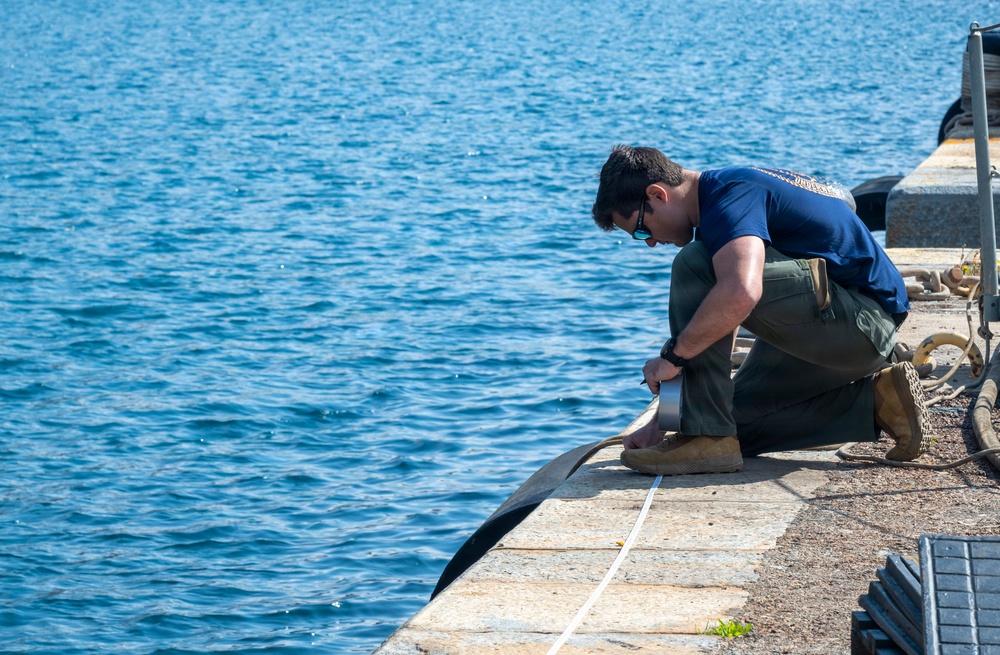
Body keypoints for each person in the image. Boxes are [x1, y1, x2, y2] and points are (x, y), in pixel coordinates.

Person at [591, 145, 929, 476]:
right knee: (726, 422)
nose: (649, 242)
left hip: (861, 325)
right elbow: (718, 324)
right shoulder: (722, 204)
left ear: (657, 194)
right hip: (842, 332)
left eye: (641, 229)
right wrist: (663, 423)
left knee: (694, 264)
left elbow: (741, 292)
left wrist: (672, 356)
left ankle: (706, 438)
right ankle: (880, 401)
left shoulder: (731, 196)